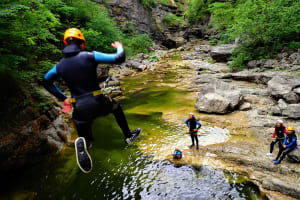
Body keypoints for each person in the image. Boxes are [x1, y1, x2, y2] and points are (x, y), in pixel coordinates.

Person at [42, 28, 141, 173]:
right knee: (116, 107)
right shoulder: (90, 56)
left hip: (79, 108)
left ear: (65, 44)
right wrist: (119, 46)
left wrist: (63, 98)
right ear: (82, 43)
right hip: (97, 101)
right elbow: (119, 58)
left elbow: (46, 82)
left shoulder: (59, 66)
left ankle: (84, 142)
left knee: (86, 139)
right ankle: (128, 135)